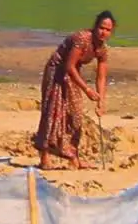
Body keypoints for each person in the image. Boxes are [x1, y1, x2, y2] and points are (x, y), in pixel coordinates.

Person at [34, 10, 114, 170]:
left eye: (108, 30)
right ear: (95, 26)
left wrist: (101, 102)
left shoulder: (102, 49)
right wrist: (87, 89)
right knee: (53, 112)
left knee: (75, 114)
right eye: (101, 28)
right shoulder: (82, 38)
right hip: (57, 69)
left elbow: (101, 77)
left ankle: (73, 157)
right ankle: (44, 157)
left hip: (72, 72)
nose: (103, 32)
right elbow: (69, 65)